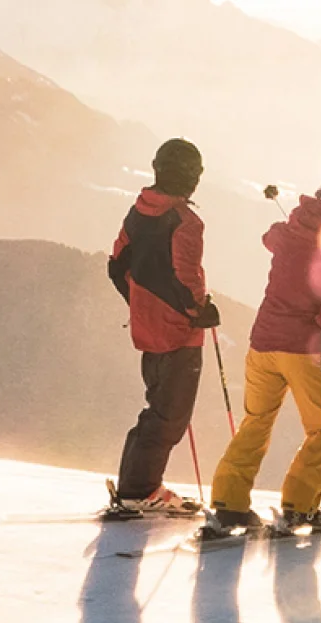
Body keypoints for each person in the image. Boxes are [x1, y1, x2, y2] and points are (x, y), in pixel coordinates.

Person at [202, 178, 321, 536]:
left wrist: (294, 224)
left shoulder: (286, 234)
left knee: (256, 420)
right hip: (303, 349)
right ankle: (299, 506)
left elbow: (269, 237)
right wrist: (320, 324)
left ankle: (229, 503)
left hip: (261, 343)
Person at [102, 138, 221, 517]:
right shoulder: (186, 222)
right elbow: (187, 277)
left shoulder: (139, 212)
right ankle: (140, 490)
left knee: (157, 409)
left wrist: (140, 302)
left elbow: (117, 265)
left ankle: (137, 486)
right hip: (179, 334)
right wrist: (199, 311)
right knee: (170, 416)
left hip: (146, 328)